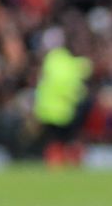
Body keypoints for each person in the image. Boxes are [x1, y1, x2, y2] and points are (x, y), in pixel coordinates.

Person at [34, 32, 92, 167]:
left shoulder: (52, 59)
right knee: (66, 139)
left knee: (54, 140)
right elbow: (76, 87)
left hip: (46, 109)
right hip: (64, 110)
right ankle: (67, 161)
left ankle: (56, 162)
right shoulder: (73, 65)